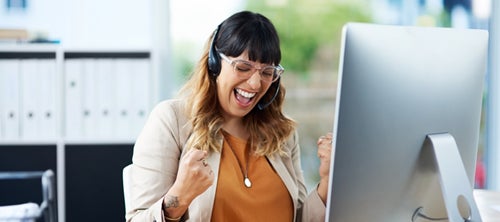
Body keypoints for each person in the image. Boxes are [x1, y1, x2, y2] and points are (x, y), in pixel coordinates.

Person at [125, 11, 332, 222]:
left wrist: (327, 180)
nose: (255, 84)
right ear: (214, 63)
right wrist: (180, 196)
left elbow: (296, 218)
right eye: (243, 67)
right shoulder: (172, 121)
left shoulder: (282, 135)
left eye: (267, 72)